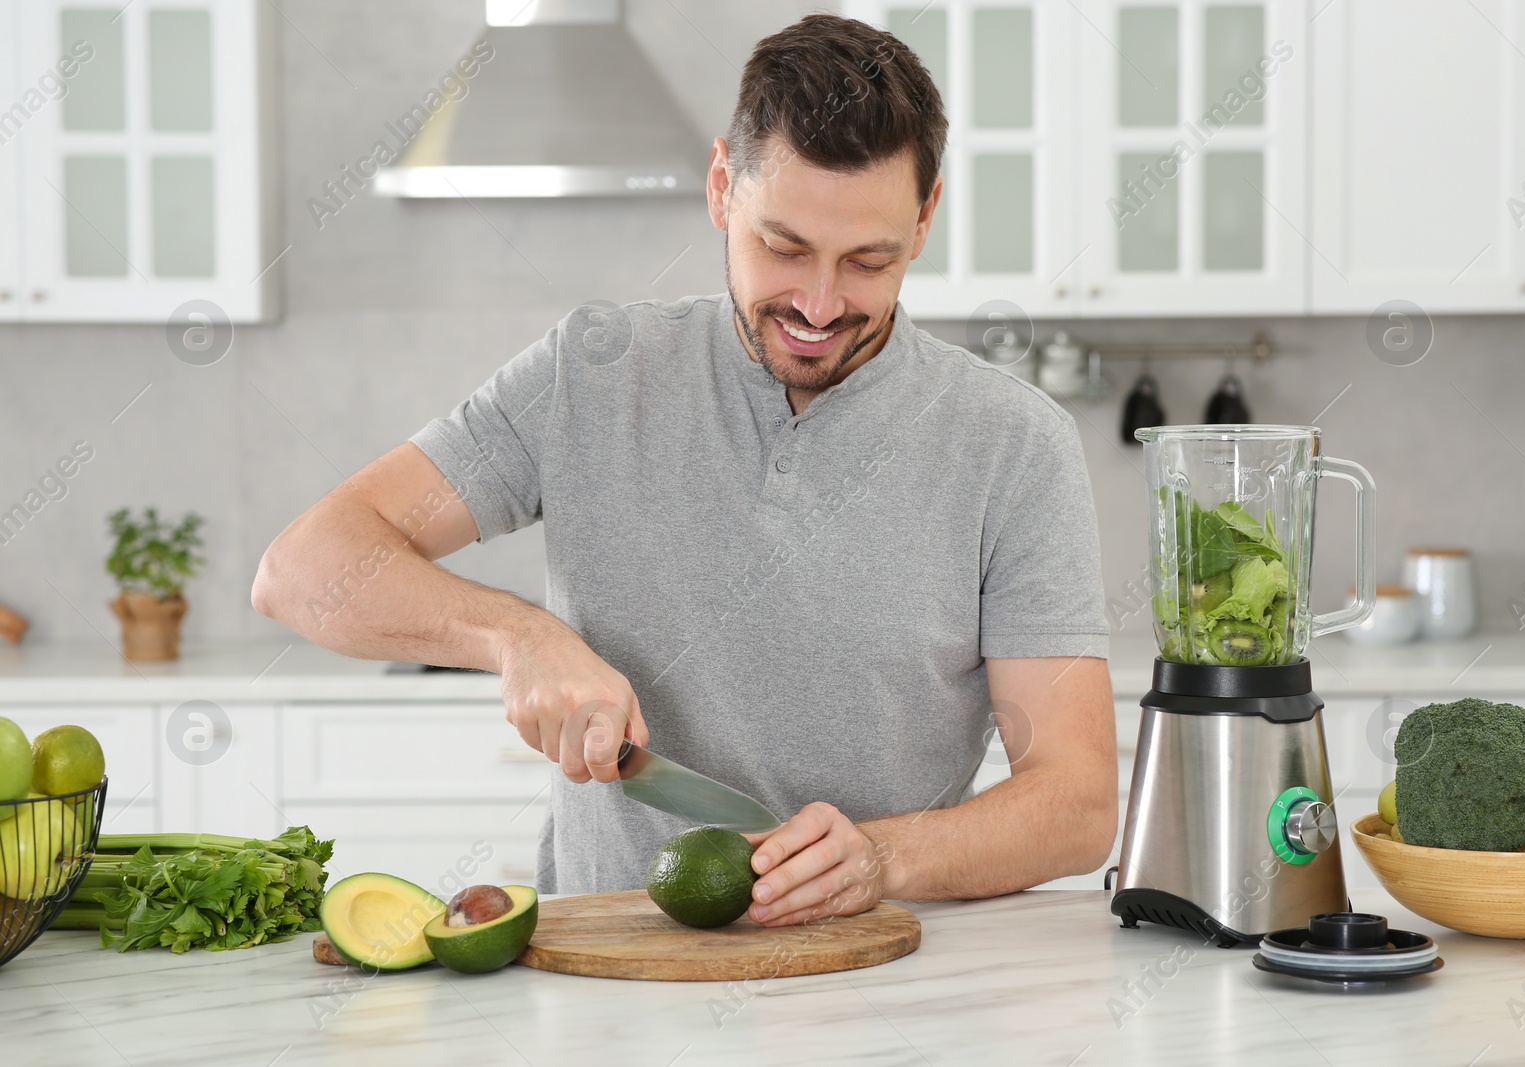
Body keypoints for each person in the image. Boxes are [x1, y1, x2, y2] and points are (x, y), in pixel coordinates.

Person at [252, 13, 1116, 927]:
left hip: (876, 981)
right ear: (720, 187)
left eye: (869, 260)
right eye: (783, 247)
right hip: (604, 979)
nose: (821, 305)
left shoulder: (1014, 444)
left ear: (926, 219)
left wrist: (885, 855)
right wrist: (518, 638)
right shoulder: (591, 373)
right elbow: (302, 567)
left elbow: (1078, 801)